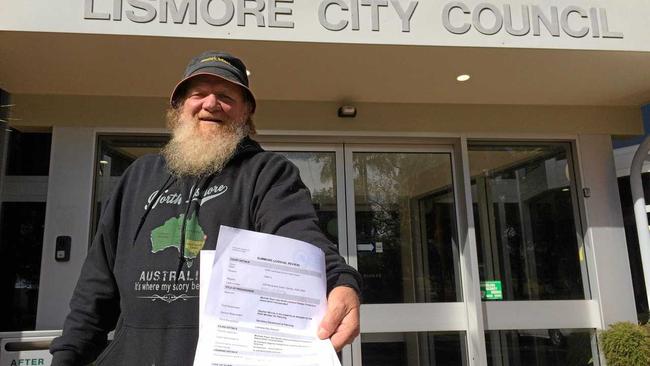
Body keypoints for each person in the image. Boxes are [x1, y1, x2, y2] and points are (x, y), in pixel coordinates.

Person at [50, 51, 362, 365]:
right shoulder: (138, 175)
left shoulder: (268, 174)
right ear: (178, 107)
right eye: (199, 94)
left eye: (225, 96)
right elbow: (95, 285)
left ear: (245, 112)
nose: (211, 104)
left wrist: (339, 281)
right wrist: (68, 356)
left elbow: (300, 237)